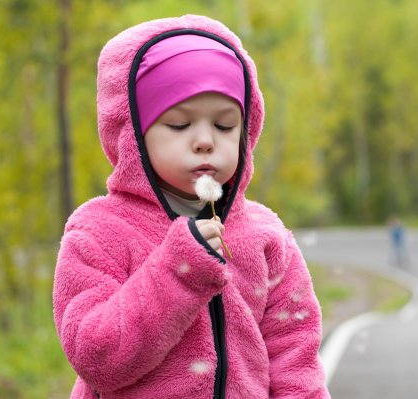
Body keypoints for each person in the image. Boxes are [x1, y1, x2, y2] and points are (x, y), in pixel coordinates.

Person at [52, 15, 330, 399]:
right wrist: (179, 271)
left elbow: (295, 357)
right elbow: (96, 357)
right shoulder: (99, 232)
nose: (205, 141)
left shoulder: (266, 236)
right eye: (180, 125)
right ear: (133, 133)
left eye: (225, 125)